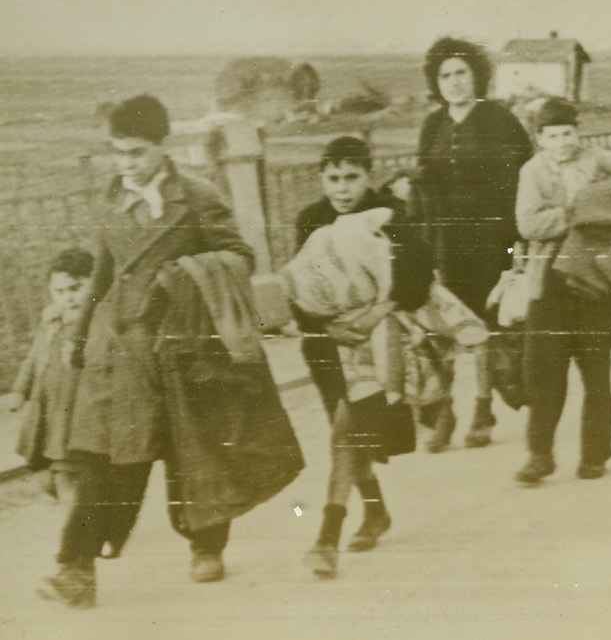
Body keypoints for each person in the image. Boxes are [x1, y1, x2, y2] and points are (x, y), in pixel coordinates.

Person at [45, 95, 261, 608]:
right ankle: (76, 568)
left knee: (196, 455)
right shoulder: (113, 196)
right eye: (117, 152)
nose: (125, 163)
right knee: (103, 460)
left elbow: (240, 256)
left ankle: (207, 546)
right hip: (120, 351)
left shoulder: (197, 195)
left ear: (162, 148)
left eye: (136, 152)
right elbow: (103, 268)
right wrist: (78, 337)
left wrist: (178, 278)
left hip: (183, 348)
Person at [514, 98, 611, 484]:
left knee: (595, 370)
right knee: (545, 371)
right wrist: (576, 213)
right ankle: (540, 455)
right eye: (553, 136)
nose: (563, 142)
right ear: (540, 138)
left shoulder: (596, 158)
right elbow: (527, 224)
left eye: (568, 133)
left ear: (577, 131)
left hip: (594, 278)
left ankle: (595, 455)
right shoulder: (532, 172)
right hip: (548, 281)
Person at [291, 136, 431, 573]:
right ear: (321, 179)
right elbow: (302, 286)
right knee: (350, 430)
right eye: (333, 178)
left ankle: (327, 538)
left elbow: (417, 279)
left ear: (368, 176)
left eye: (352, 177)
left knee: (346, 431)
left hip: (379, 340)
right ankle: (375, 511)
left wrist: (374, 317)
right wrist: (327, 326)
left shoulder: (390, 217)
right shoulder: (311, 220)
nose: (342, 188)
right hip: (328, 342)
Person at [415, 37, 534, 450]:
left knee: (485, 326)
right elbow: (423, 187)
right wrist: (421, 243)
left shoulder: (499, 120)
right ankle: (444, 410)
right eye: (445, 75)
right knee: (444, 328)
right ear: (436, 81)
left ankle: (483, 408)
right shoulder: (433, 125)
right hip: (446, 241)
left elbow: (525, 182)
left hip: (492, 239)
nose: (454, 82)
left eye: (461, 72)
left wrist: (519, 242)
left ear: (476, 76)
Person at [9, 247, 93, 504]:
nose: (67, 298)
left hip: (76, 401)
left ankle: (75, 505)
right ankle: (53, 482)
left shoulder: (92, 322)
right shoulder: (51, 320)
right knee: (42, 453)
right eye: (59, 291)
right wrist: (20, 391)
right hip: (47, 401)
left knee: (68, 457)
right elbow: (34, 357)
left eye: (75, 289)